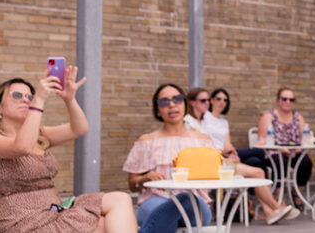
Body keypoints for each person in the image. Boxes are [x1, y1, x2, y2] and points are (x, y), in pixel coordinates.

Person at [0, 69, 137, 232]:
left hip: (56, 212)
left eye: (30, 97)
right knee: (107, 224)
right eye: (17, 96)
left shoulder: (39, 135)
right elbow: (22, 147)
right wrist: (39, 99)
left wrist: (69, 99)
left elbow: (79, 129)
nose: (26, 101)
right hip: (26, 223)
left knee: (121, 200)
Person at [123, 83, 292, 231]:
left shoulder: (202, 140)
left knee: (185, 200)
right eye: (164, 101)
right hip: (155, 200)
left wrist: (228, 165)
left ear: (184, 104)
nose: (172, 105)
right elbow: (132, 185)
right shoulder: (146, 141)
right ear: (157, 110)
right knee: (169, 218)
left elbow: (216, 172)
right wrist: (145, 177)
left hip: (196, 204)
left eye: (177, 99)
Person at [183, 87, 297, 223]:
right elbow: (198, 150)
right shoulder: (189, 122)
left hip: (217, 161)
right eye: (203, 100)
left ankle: (269, 212)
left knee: (257, 165)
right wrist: (224, 155)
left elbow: (219, 145)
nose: (207, 103)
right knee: (258, 168)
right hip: (208, 165)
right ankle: (276, 207)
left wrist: (230, 154)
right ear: (192, 102)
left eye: (208, 100)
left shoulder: (202, 121)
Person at [257, 88, 312, 202]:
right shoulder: (269, 116)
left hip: (294, 152)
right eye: (284, 99)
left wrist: (299, 148)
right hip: (274, 152)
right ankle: (278, 197)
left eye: (291, 100)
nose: (288, 102)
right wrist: (280, 148)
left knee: (306, 162)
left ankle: (297, 194)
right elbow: (262, 139)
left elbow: (306, 137)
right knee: (280, 161)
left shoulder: (298, 117)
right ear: (278, 101)